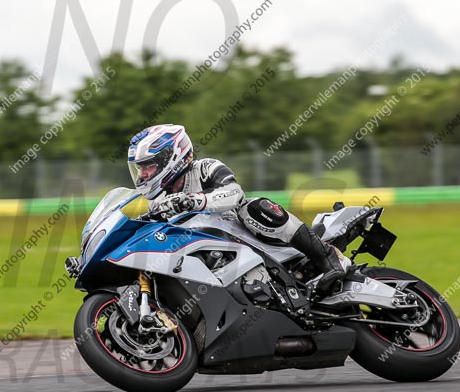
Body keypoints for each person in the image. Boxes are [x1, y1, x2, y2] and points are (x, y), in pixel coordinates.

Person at [127, 123, 348, 295]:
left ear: (172, 157)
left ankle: (328, 257)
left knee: (254, 206)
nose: (143, 175)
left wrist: (191, 201)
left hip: (249, 238)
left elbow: (234, 193)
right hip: (209, 259)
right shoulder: (157, 202)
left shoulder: (205, 168)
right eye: (140, 168)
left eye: (149, 166)